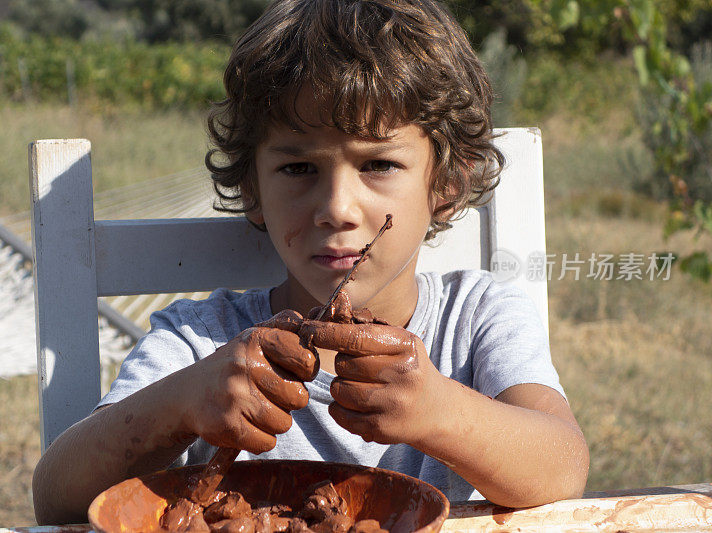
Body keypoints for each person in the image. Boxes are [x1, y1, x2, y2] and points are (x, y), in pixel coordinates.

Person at [32, 0, 589, 524]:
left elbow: (563, 467)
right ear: (252, 186)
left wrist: (438, 410)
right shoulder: (201, 344)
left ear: (445, 182)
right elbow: (57, 499)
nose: (336, 209)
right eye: (298, 169)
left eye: (378, 164)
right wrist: (182, 404)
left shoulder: (476, 317)